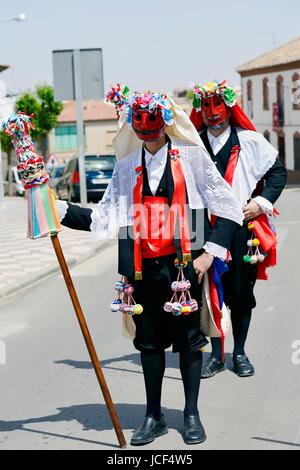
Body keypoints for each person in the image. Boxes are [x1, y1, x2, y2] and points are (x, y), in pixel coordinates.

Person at [56, 85, 244, 445]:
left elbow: (230, 208)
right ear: (134, 129)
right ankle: (153, 415)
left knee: (190, 344)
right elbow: (106, 216)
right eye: (141, 129)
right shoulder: (127, 168)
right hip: (140, 270)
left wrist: (210, 253)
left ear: (166, 125)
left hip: (183, 268)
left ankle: (191, 413)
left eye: (154, 128)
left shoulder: (191, 159)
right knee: (150, 344)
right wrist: (59, 210)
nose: (149, 135)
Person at [190, 80, 287, 379]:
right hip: (204, 229)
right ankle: (217, 354)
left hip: (243, 229)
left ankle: (240, 351)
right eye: (206, 107)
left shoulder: (250, 141)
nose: (212, 113)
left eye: (218, 106)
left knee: (241, 293)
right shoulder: (191, 145)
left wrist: (260, 203)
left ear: (229, 108)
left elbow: (277, 173)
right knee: (210, 293)